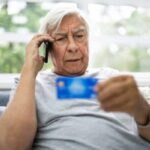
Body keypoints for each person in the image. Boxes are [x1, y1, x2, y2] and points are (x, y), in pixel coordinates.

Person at [0, 4, 150, 150]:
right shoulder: (30, 84)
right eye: (61, 38)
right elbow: (11, 146)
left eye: (79, 36)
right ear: (47, 48)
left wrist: (142, 108)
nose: (73, 47)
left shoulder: (112, 77)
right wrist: (29, 68)